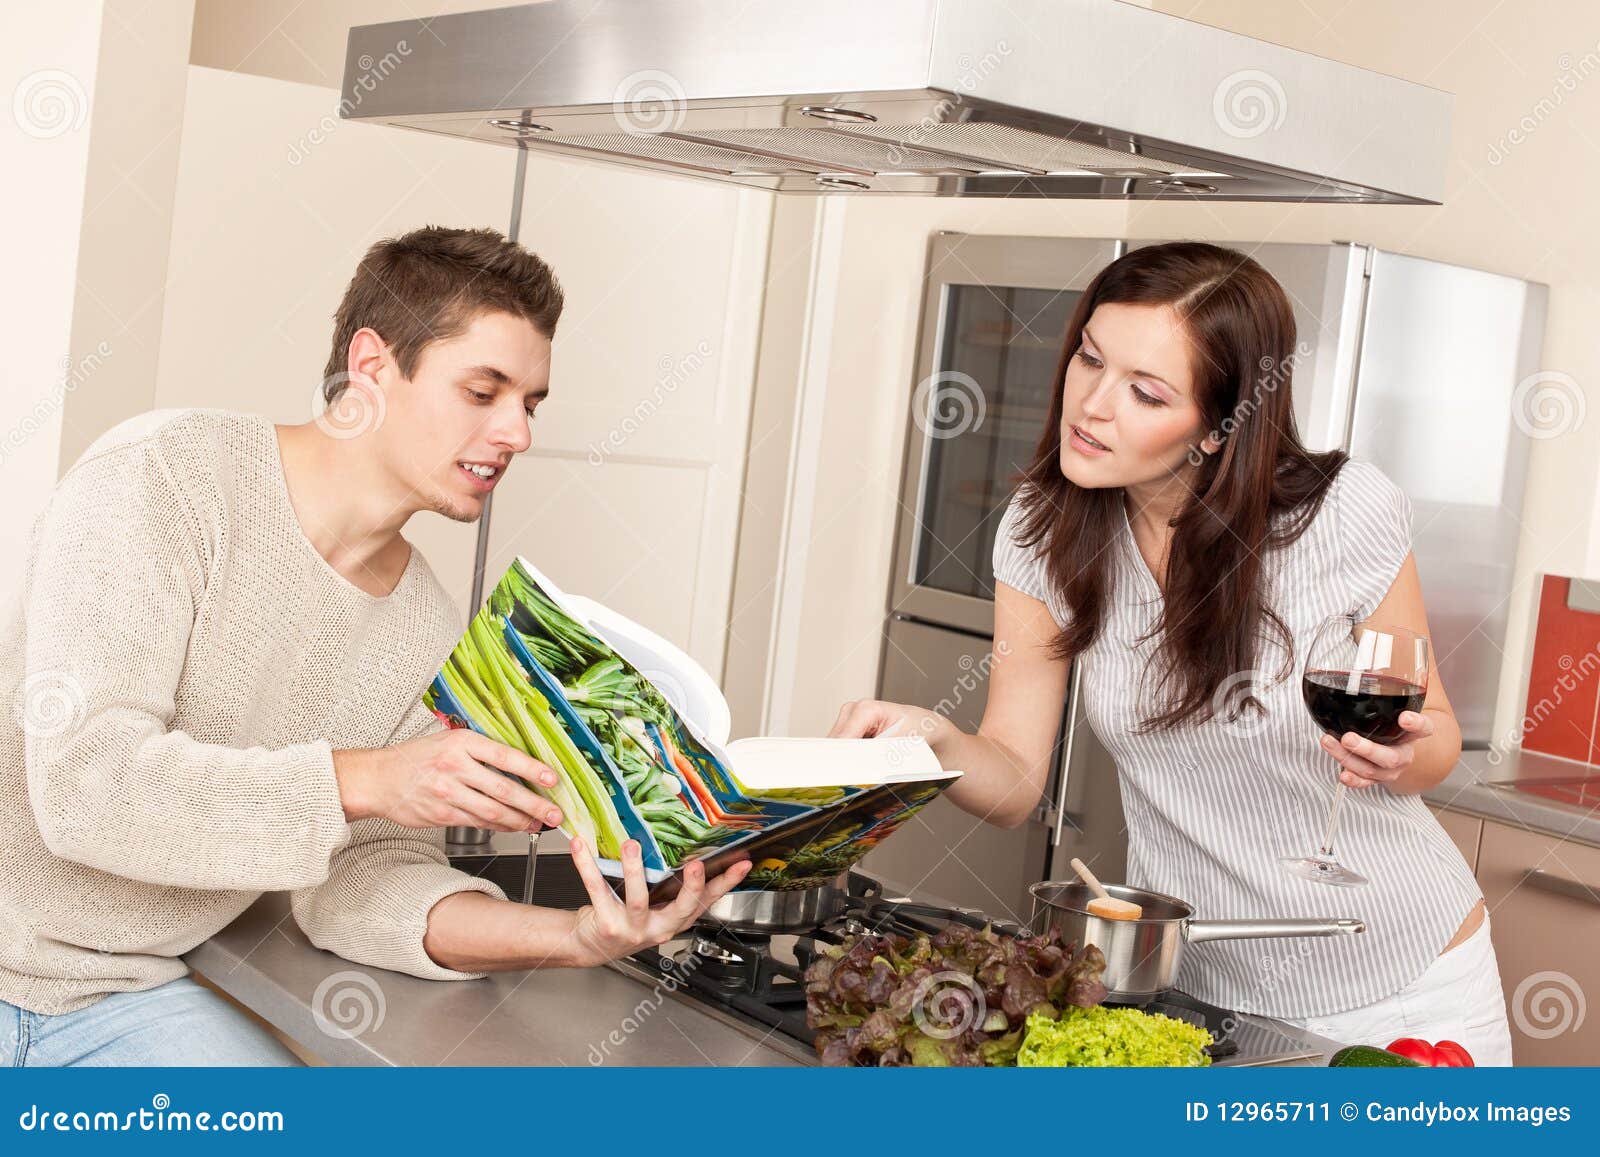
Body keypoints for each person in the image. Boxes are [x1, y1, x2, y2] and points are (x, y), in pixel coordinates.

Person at [0, 225, 750, 1066]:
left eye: (531, 402)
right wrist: (370, 777)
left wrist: (575, 935)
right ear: (371, 367)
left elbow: (366, 879)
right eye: (483, 390)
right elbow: (86, 787)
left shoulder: (424, 622)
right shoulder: (163, 477)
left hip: (127, 994)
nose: (519, 434)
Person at [829, 242, 1512, 1063]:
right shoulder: (1043, 529)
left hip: (1402, 977)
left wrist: (1402, 752)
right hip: (1203, 991)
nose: (1092, 405)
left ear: (1219, 428)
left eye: (1146, 393)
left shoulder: (1339, 512)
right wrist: (933, 740)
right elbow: (1013, 778)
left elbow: (1431, 731)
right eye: (1089, 358)